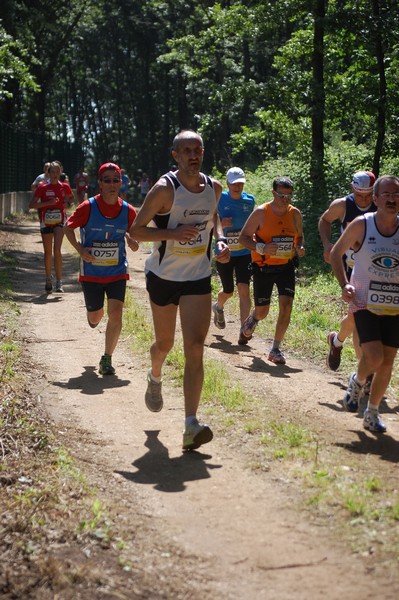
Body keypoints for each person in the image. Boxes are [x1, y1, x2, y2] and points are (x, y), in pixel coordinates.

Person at [130, 130, 230, 451]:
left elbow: (215, 220)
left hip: (197, 277)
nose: (193, 155)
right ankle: (155, 374)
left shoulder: (214, 187)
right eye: (186, 150)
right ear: (175, 155)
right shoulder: (164, 190)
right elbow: (137, 231)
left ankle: (190, 424)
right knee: (164, 343)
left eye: (197, 149)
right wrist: (173, 234)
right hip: (163, 277)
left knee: (195, 348)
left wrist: (222, 239)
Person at [329, 175, 399, 433]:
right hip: (364, 302)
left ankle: (372, 412)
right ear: (376, 199)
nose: (392, 199)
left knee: (388, 361)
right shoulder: (362, 225)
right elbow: (336, 252)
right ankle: (357, 382)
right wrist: (344, 284)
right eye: (387, 194)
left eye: (396, 194)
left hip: (394, 306)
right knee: (374, 356)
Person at [64, 162, 139, 376]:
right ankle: (93, 315)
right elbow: (67, 228)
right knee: (96, 317)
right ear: (100, 183)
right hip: (92, 274)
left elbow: (136, 234)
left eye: (117, 180)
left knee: (116, 314)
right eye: (108, 180)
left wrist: (133, 242)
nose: (113, 184)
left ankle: (107, 358)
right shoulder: (87, 207)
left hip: (117, 272)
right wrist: (80, 249)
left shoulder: (128, 210)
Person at [238, 176, 305, 364]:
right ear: (273, 193)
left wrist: (299, 247)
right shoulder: (261, 213)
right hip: (263, 267)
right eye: (281, 195)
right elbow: (243, 238)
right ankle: (253, 318)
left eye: (289, 195)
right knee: (262, 312)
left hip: (286, 267)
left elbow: (299, 237)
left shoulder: (295, 214)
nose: (285, 199)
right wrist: (261, 248)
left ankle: (275, 349)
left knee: (287, 307)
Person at [319, 170, 377, 372]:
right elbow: (324, 220)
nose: (364, 199)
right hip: (349, 268)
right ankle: (366, 374)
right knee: (358, 317)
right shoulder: (342, 205)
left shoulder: (381, 205)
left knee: (356, 316)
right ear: (353, 189)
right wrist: (327, 244)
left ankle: (336, 341)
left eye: (368, 194)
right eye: (360, 194)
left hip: (373, 269)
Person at [212, 167, 255, 345]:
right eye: (234, 184)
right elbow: (210, 220)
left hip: (244, 252)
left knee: (244, 289)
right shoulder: (220, 199)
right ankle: (218, 307)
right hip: (225, 251)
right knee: (228, 290)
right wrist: (222, 222)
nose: (237, 187)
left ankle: (244, 330)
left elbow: (253, 222)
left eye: (240, 183)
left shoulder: (250, 201)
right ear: (228, 184)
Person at [29, 161, 74, 293]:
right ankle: (48, 279)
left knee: (57, 250)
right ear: (48, 173)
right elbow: (31, 205)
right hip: (46, 221)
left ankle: (59, 282)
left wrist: (68, 204)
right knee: (48, 252)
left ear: (61, 173)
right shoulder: (42, 187)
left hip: (60, 221)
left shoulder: (64, 186)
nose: (55, 174)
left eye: (57, 171)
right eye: (52, 172)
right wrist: (47, 203)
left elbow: (71, 198)